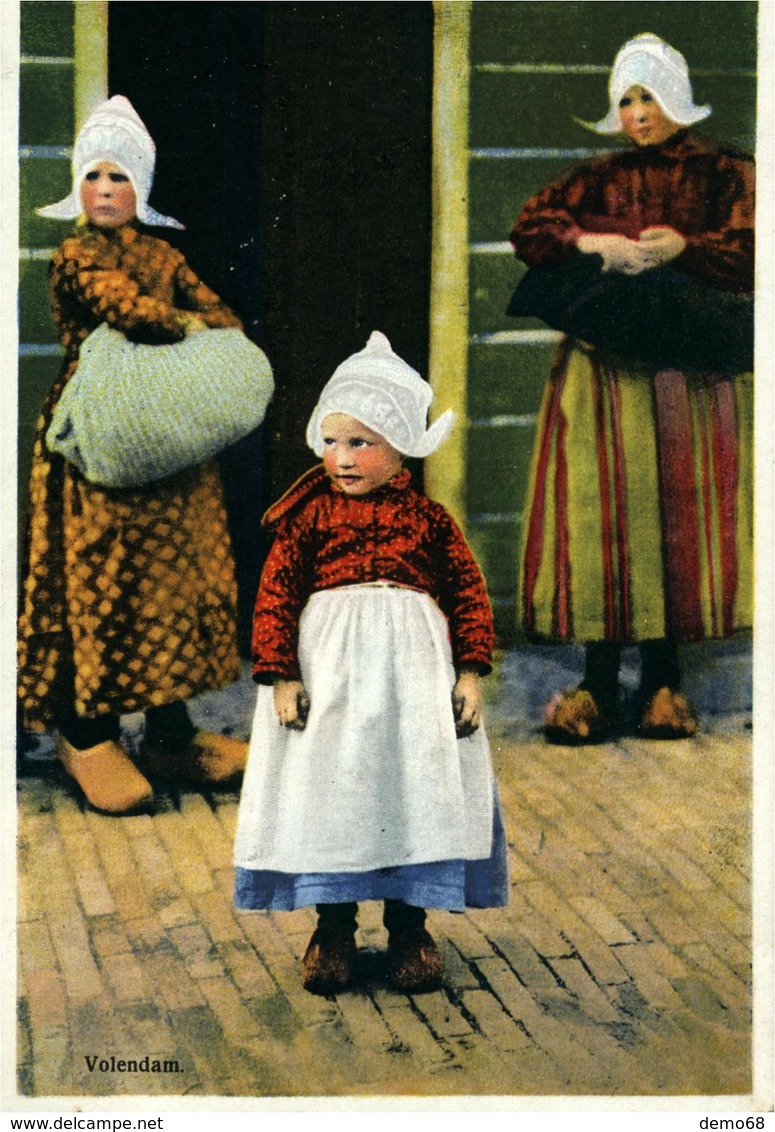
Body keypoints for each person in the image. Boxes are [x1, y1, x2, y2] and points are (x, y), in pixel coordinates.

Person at [233, 332, 508, 994]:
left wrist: (468, 673)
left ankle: (409, 927)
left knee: (409, 788)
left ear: (401, 446)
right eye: (331, 441)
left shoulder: (429, 522)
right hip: (330, 679)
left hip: (412, 681)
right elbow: (275, 596)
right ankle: (333, 927)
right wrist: (282, 674)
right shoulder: (307, 519)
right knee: (335, 792)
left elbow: (467, 595)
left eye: (361, 442)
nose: (342, 458)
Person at [509, 34, 754, 743]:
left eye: (649, 96)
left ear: (676, 96)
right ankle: (594, 679)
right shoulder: (597, 175)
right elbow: (533, 227)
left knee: (672, 511)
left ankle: (663, 679)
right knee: (601, 511)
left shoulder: (726, 171)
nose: (637, 113)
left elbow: (752, 243)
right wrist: (593, 245)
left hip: (688, 369)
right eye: (625, 99)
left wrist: (687, 248)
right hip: (603, 365)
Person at [18, 95, 249, 813]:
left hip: (165, 438)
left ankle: (170, 733)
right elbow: (128, 310)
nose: (106, 191)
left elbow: (221, 316)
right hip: (97, 440)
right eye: (94, 176)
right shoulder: (76, 254)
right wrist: (185, 327)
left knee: (169, 577)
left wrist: (198, 326)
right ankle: (87, 734)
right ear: (77, 187)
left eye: (120, 178)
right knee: (103, 574)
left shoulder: (164, 254)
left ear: (140, 188)